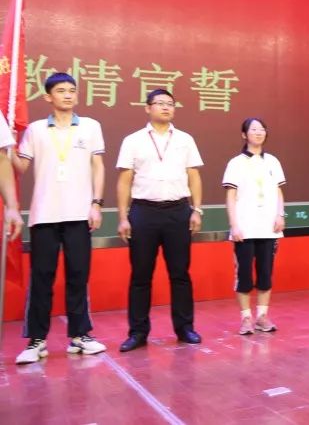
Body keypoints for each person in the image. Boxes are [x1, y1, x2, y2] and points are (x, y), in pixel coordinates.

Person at [9, 73, 105, 363]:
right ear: (48, 97)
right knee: (42, 278)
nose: (68, 95)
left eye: (72, 90)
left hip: (79, 214)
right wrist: (9, 147)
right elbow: (21, 168)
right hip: (44, 215)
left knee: (78, 276)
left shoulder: (90, 126)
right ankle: (37, 341)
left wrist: (96, 204)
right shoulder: (36, 130)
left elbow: (98, 166)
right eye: (61, 91)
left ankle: (80, 336)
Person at [116, 89, 204, 351]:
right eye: (160, 103)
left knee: (180, 274)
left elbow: (194, 176)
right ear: (148, 108)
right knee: (141, 275)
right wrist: (122, 217)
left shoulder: (185, 139)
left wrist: (197, 210)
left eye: (170, 104)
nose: (166, 107)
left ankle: (185, 328)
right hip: (143, 212)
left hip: (178, 211)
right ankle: (138, 332)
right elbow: (125, 180)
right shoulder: (133, 140)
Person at [222, 118, 286, 335]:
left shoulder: (273, 162)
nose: (259, 133)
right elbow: (230, 196)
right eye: (254, 129)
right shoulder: (236, 163)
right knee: (244, 276)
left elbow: (278, 191)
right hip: (245, 228)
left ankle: (262, 316)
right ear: (244, 135)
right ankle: (246, 318)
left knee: (265, 274)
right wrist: (234, 225)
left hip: (268, 227)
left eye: (262, 129)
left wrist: (280, 214)